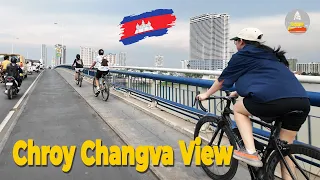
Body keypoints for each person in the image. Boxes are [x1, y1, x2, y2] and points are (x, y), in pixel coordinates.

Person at [196, 27, 310, 179]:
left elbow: (222, 80)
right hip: (301, 101)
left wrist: (206, 94)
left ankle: (250, 153)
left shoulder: (242, 55)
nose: (235, 44)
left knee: (238, 109)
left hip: (274, 101)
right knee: (284, 151)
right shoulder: (270, 55)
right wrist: (237, 92)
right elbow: (265, 77)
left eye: (236, 41)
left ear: (241, 41)